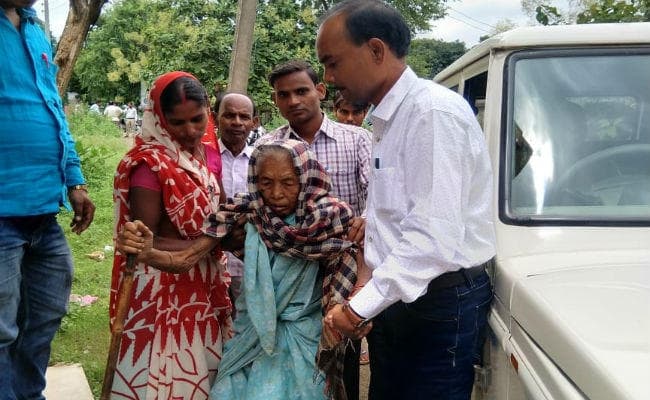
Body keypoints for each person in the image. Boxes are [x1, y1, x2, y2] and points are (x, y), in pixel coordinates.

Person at [316, 1, 497, 399]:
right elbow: (389, 218)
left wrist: (358, 309)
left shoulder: (431, 113)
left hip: (437, 303)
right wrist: (366, 289)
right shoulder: (388, 119)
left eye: (333, 63)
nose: (328, 78)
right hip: (401, 295)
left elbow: (432, 238)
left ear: (375, 50)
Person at [117, 140, 370, 400]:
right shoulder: (245, 211)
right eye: (266, 182)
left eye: (288, 182)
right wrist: (146, 252)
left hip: (304, 338)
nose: (276, 193)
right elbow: (186, 259)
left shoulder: (330, 220)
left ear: (306, 179)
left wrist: (350, 311)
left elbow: (353, 270)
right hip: (250, 335)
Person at [110, 71, 232, 399]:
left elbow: (221, 213)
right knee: (163, 375)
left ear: (208, 112)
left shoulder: (206, 155)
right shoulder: (149, 165)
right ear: (160, 120)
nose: (190, 131)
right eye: (177, 123)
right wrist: (209, 243)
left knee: (199, 370)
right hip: (162, 289)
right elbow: (145, 241)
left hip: (201, 285)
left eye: (197, 119)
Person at [259, 59, 371, 399]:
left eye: (301, 91)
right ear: (275, 100)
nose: (293, 101)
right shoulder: (268, 146)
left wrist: (365, 219)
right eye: (284, 95)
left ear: (320, 91)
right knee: (291, 363)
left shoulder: (356, 140)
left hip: (346, 268)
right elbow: (260, 206)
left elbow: (377, 197)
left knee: (341, 356)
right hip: (290, 273)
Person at [0, 1, 96, 398]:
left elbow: (54, 108)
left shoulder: (35, 29)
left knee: (44, 316)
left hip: (43, 212)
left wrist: (74, 179)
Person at [216, 92, 258, 309]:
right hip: (211, 259)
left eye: (244, 117)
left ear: (254, 122)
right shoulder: (203, 158)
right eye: (229, 115)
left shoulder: (261, 160)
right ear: (215, 117)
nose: (237, 122)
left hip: (249, 262)